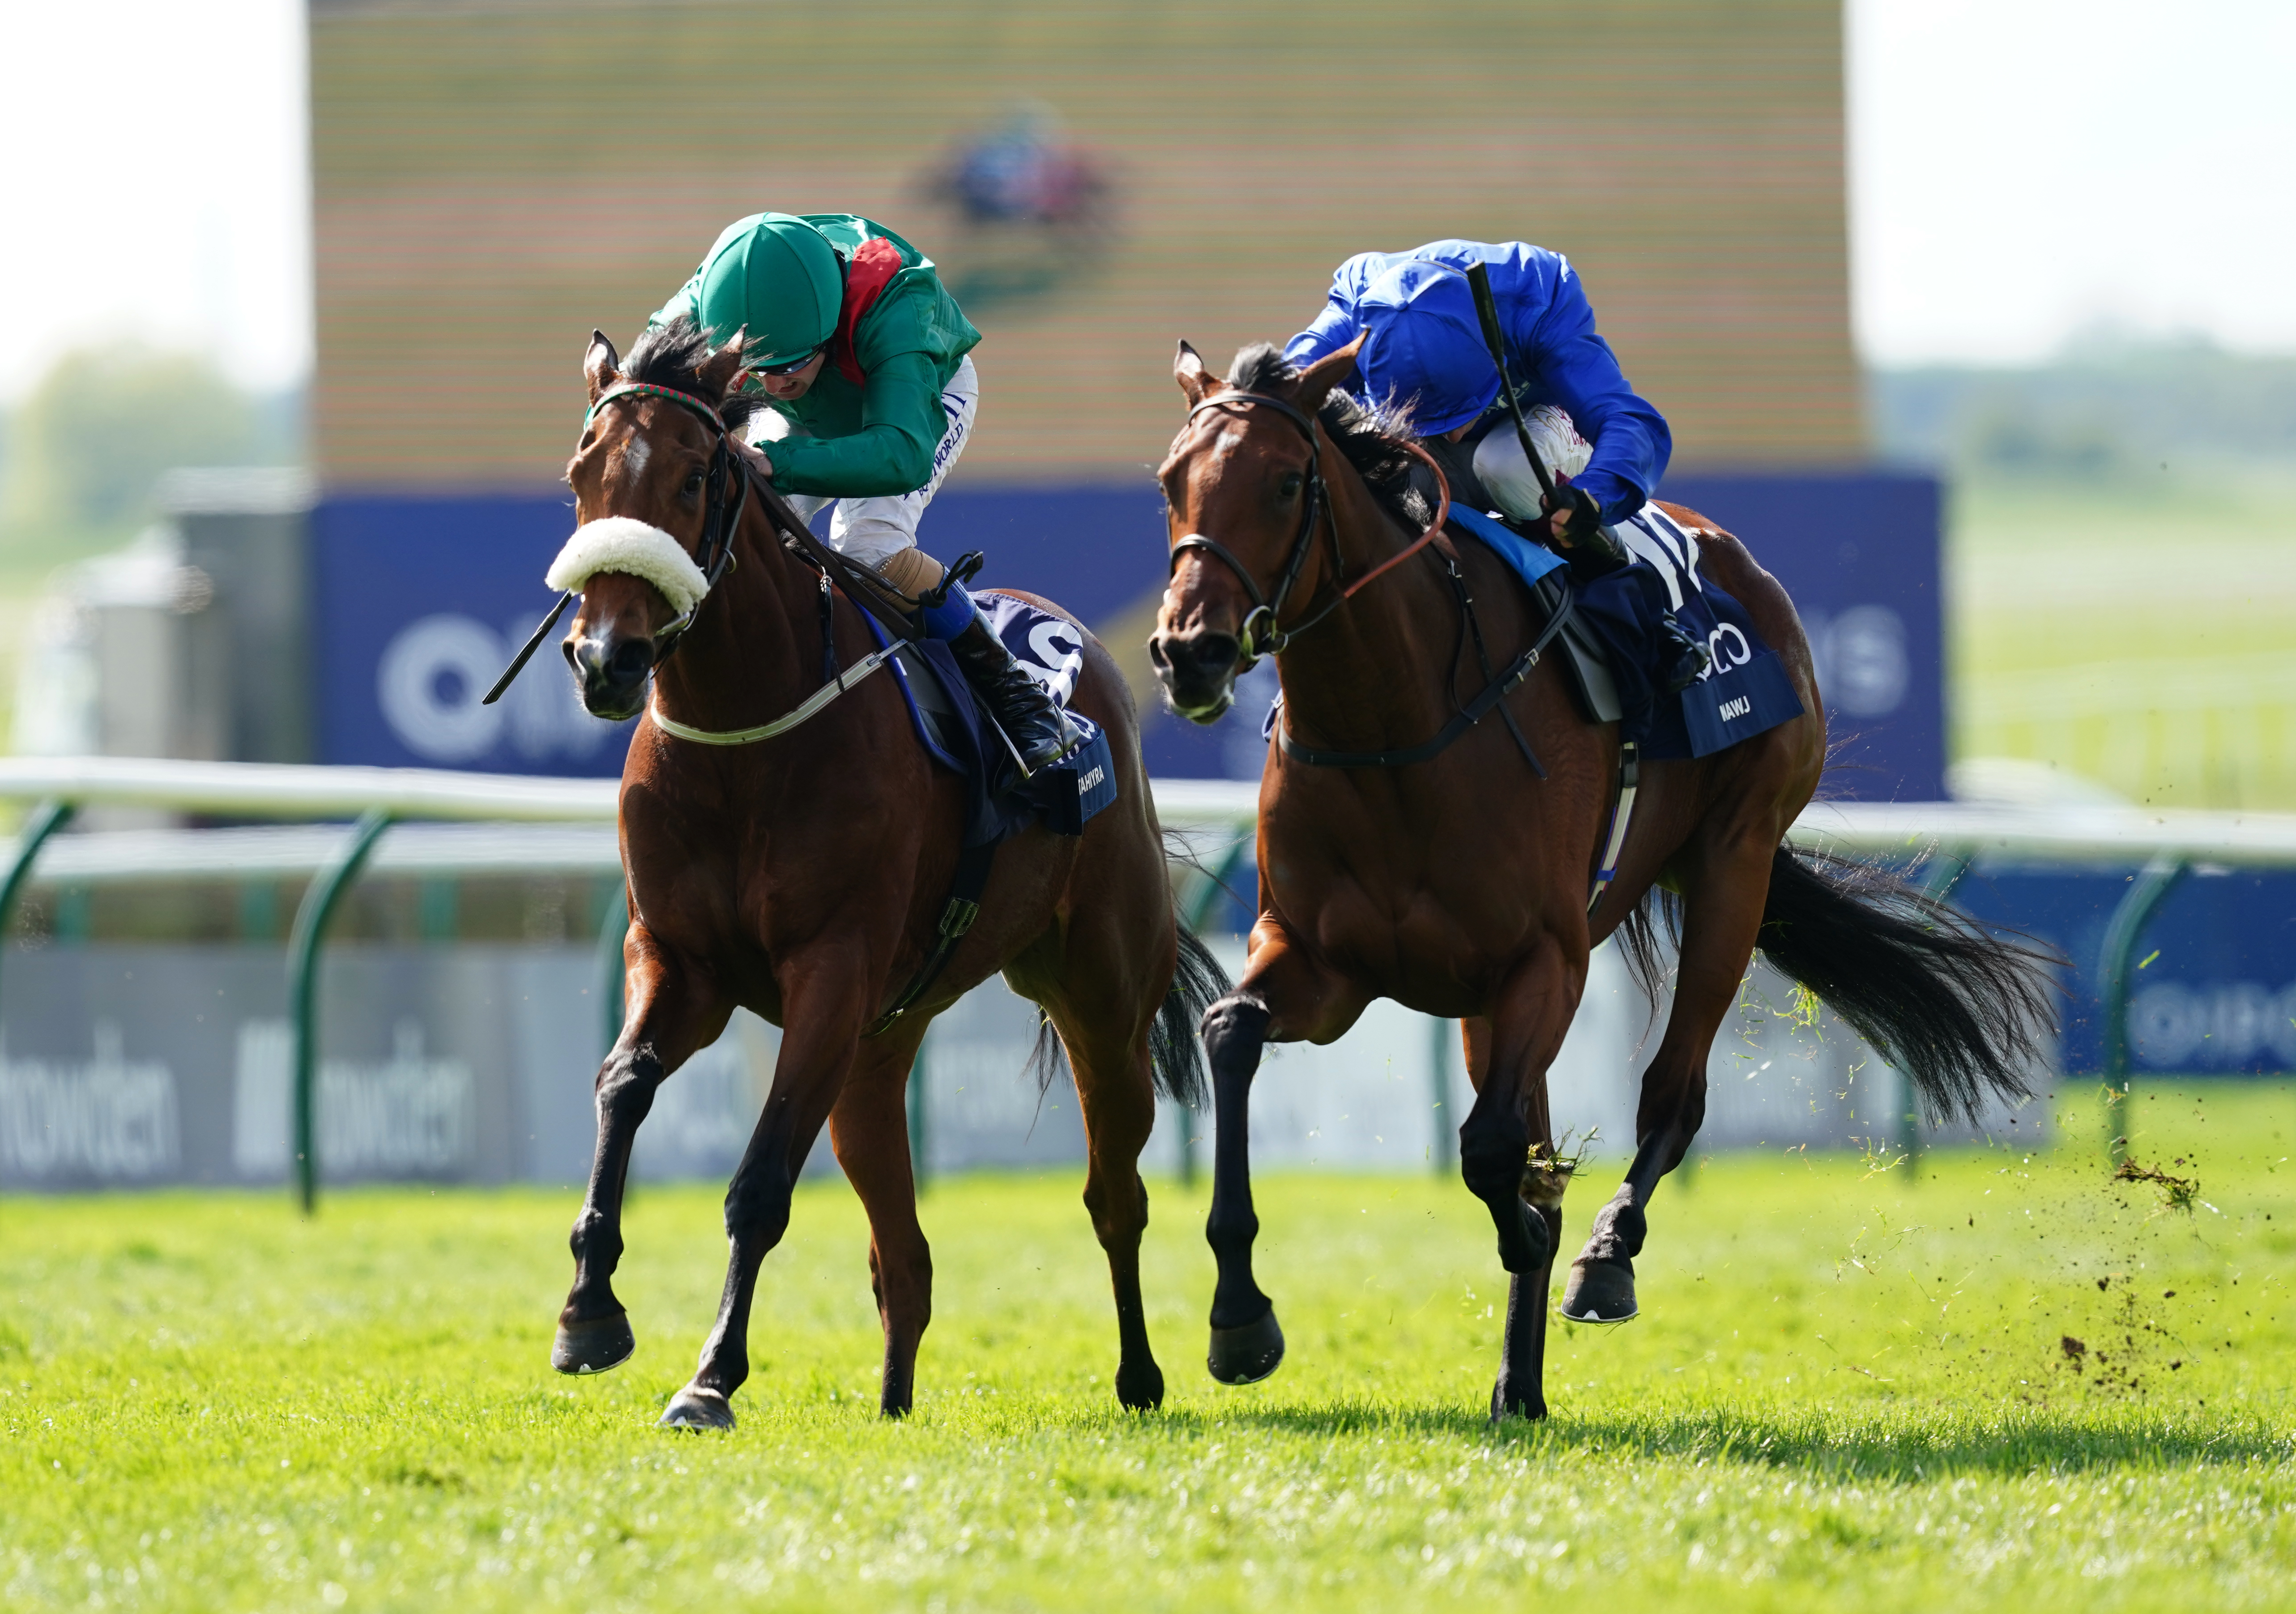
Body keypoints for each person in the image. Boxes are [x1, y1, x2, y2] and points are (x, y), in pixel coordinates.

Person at [651, 211, 1078, 772]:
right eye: (760, 370)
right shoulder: (705, 303)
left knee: (868, 551)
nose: (774, 384)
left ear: (829, 324)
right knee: (743, 527)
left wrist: (776, 461)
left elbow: (900, 453)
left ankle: (1016, 693)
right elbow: (623, 403)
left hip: (915, 405)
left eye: (791, 363)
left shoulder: (896, 302)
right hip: (811, 410)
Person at [1285, 238, 1704, 689]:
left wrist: (1595, 498)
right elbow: (1280, 394)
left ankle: (1644, 615)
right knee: (1361, 464)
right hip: (1405, 435)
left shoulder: (1535, 293)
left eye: (1459, 413)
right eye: (1438, 421)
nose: (1451, 436)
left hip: (1536, 430)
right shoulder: (1356, 308)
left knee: (1505, 465)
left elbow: (1627, 417)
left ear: (1494, 350)